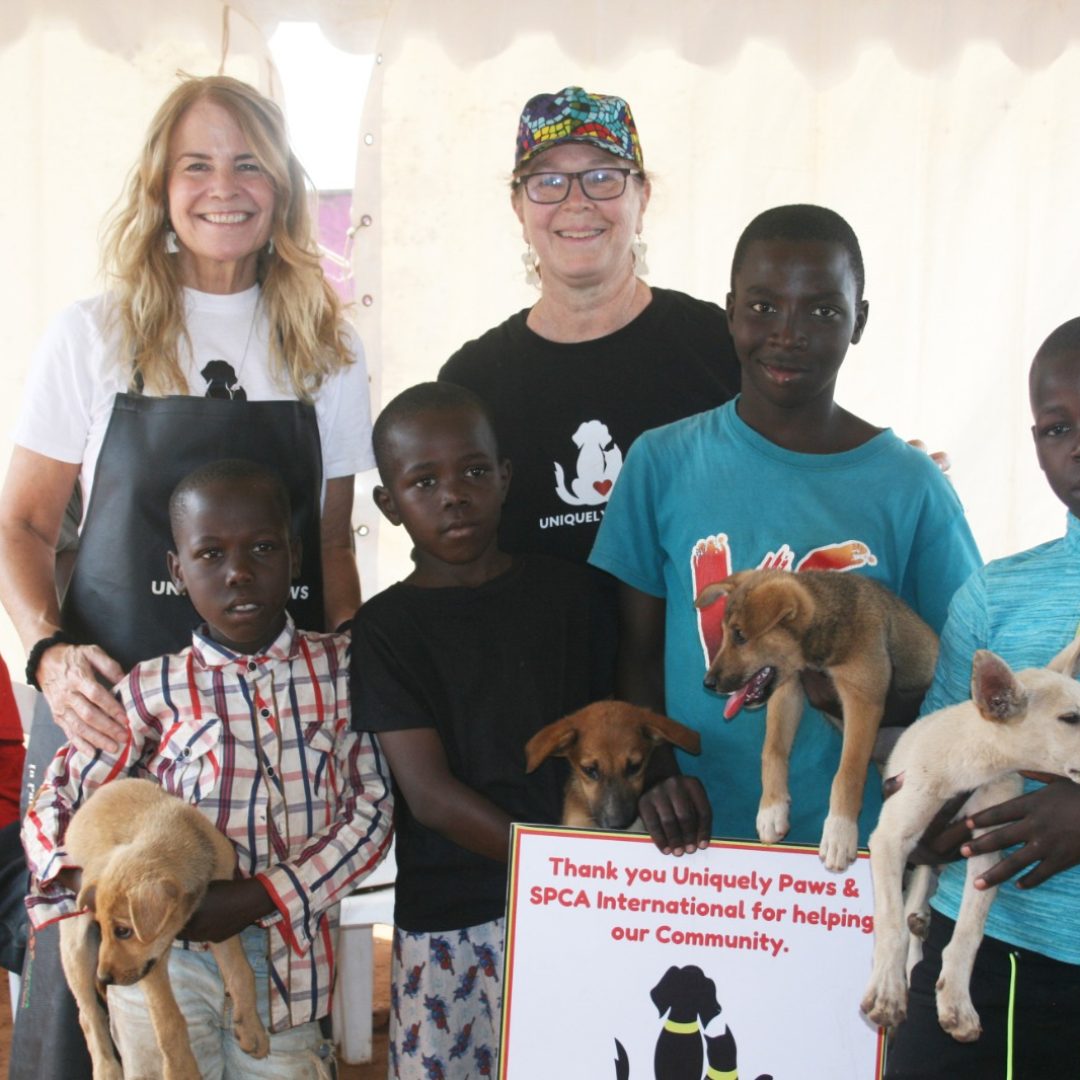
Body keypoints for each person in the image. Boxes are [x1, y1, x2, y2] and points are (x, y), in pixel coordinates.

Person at [0, 74, 374, 1076]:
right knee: (91, 996)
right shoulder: (94, 331)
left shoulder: (328, 349)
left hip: (264, 740)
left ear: (285, 186)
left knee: (257, 1006)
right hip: (110, 723)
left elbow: (333, 544)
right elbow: (22, 526)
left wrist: (352, 688)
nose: (224, 187)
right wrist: (47, 655)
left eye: (249, 161)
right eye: (196, 164)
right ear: (159, 185)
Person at [589, 204, 982, 854]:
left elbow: (959, 673)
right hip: (692, 836)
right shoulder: (661, 461)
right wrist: (657, 770)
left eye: (823, 311)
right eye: (765, 306)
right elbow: (635, 650)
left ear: (859, 320)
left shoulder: (911, 487)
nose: (789, 333)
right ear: (730, 312)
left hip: (857, 851)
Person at [22, 459, 393, 1078]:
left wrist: (262, 895)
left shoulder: (343, 671)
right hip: (163, 965)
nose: (239, 572)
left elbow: (373, 810)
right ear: (177, 570)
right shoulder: (150, 687)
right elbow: (59, 793)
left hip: (290, 965)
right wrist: (73, 876)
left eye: (263, 548)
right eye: (211, 554)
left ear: (297, 557)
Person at [349, 382, 612, 1078]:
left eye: (472, 472)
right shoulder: (384, 631)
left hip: (579, 906)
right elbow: (429, 794)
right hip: (451, 919)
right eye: (423, 481)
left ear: (506, 478)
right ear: (390, 505)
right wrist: (554, 868)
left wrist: (576, 876)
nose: (452, 496)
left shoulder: (570, 594)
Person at [883, 319, 1080, 1079]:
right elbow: (938, 756)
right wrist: (928, 821)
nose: (1077, 446)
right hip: (999, 960)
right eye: (1057, 428)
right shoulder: (997, 593)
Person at [439, 86, 740, 567]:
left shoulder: (722, 344)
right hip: (535, 642)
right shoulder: (471, 380)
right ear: (518, 207)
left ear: (643, 197)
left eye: (602, 178)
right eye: (548, 181)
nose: (576, 202)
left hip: (693, 641)